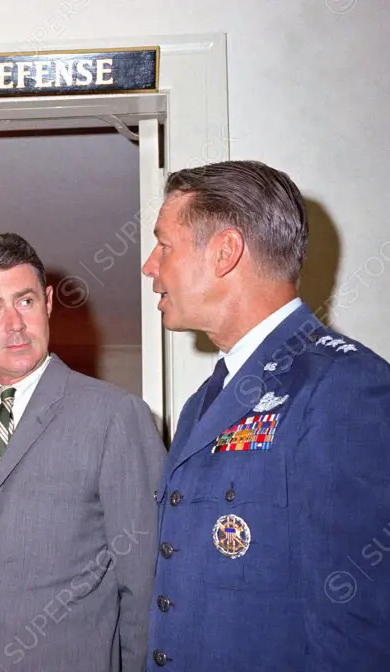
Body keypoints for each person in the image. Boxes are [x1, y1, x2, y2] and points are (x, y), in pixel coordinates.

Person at [141, 160, 390, 670]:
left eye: (164, 245)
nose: (149, 265)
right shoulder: (202, 402)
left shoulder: (342, 386)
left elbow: (357, 627)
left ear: (225, 252)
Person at [0, 233, 166, 672]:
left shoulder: (115, 415)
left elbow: (146, 582)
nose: (14, 324)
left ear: (49, 302)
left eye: (26, 301)